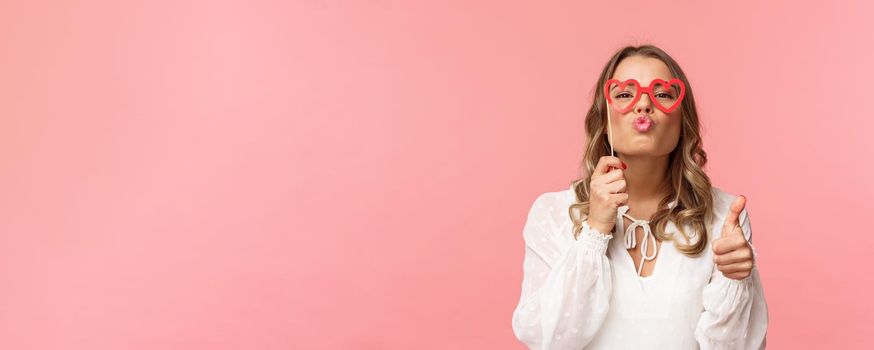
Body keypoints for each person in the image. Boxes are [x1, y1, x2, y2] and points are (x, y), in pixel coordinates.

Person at [510, 45, 768, 349]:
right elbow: (549, 340)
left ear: (682, 122)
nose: (643, 104)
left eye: (662, 94)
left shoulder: (725, 217)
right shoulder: (552, 214)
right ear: (604, 120)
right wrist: (594, 230)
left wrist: (735, 280)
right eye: (623, 94)